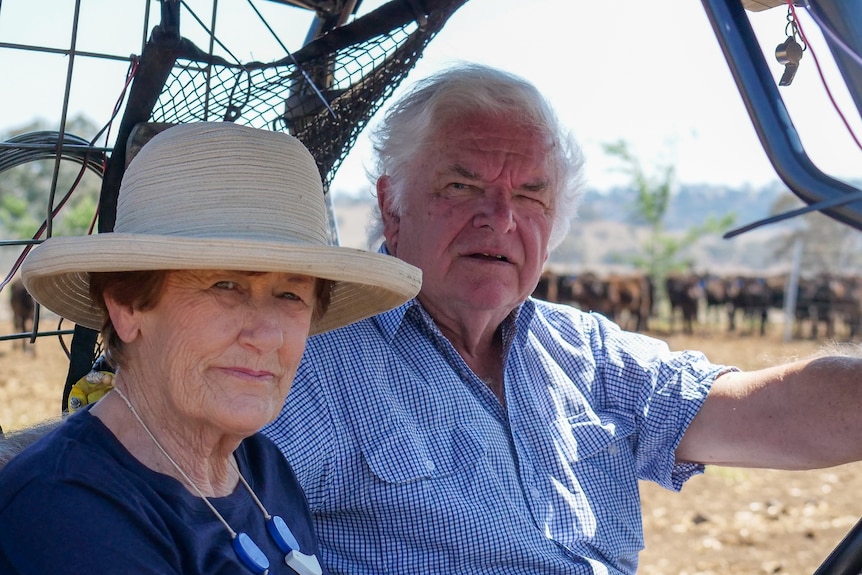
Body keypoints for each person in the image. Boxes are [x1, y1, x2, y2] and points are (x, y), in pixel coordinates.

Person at [260, 63, 862, 575]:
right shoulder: (316, 363)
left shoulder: (585, 351)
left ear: (554, 229)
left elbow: (773, 411)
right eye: (462, 185)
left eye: (530, 196)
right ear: (392, 208)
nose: (500, 218)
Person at [0, 122, 421, 575]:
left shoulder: (260, 467)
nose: (267, 336)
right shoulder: (67, 513)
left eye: (291, 295)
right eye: (226, 286)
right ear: (125, 305)